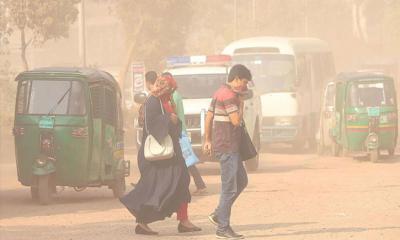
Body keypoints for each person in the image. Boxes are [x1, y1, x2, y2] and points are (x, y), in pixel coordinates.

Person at [120, 75, 201, 235]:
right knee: (155, 189)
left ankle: (184, 220)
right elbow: (151, 125)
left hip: (171, 155)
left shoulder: (166, 102)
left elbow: (174, 124)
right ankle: (141, 219)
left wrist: (174, 120)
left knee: (182, 181)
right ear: (164, 88)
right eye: (170, 89)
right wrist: (168, 118)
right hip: (157, 159)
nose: (171, 92)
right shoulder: (152, 101)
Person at [203, 64, 252, 239]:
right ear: (237, 79)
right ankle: (222, 227)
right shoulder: (231, 96)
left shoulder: (219, 92)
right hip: (228, 146)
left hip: (225, 145)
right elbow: (236, 121)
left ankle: (218, 214)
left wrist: (208, 139)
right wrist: (242, 102)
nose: (245, 86)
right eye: (244, 82)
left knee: (242, 181)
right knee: (230, 188)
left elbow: (208, 117)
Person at [162, 72, 208, 195]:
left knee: (187, 161)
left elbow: (173, 113)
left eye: (164, 82)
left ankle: (199, 185)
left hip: (179, 132)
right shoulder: (173, 95)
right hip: (179, 131)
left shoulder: (173, 96)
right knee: (185, 161)